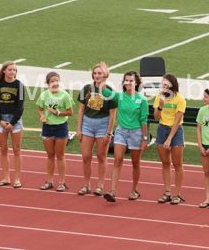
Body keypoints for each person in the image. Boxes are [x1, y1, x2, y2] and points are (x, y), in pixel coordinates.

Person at [99, 62, 149, 202]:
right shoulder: (119, 96)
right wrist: (105, 76)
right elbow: (103, 90)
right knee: (117, 160)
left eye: (131, 81)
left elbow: (144, 120)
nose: (128, 83)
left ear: (136, 83)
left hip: (136, 133)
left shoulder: (142, 99)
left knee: (135, 163)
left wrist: (144, 139)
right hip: (121, 131)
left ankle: (134, 190)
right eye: (126, 80)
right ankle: (113, 191)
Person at [76, 64, 117, 196]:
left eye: (100, 73)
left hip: (103, 124)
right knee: (86, 157)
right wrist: (78, 129)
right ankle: (86, 185)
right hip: (87, 124)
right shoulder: (86, 88)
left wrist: (108, 132)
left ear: (105, 75)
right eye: (95, 73)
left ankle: (100, 186)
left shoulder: (110, 91)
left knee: (101, 156)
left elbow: (112, 115)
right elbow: (81, 110)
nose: (97, 76)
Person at [36, 72, 74, 192]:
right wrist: (42, 116)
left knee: (60, 155)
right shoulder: (44, 95)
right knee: (50, 155)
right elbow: (40, 110)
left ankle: (62, 182)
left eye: (57, 80)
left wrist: (57, 113)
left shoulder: (65, 95)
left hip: (61, 127)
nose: (55, 83)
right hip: (47, 127)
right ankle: (49, 181)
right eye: (52, 81)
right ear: (48, 83)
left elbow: (70, 112)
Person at [154, 74, 186, 205]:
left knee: (177, 164)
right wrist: (160, 106)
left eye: (166, 84)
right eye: (162, 84)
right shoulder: (159, 97)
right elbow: (156, 117)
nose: (163, 86)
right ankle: (167, 192)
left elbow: (177, 121)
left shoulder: (180, 99)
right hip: (162, 129)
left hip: (175, 131)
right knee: (165, 163)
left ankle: (177, 194)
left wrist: (169, 139)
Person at [0, 61, 25, 188]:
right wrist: (0, 120)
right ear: (4, 71)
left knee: (17, 150)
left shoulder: (19, 85)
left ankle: (17, 179)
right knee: (3, 150)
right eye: (10, 69)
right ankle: (6, 178)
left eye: (15, 70)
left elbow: (20, 106)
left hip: (15, 121)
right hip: (1, 120)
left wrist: (12, 122)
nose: (13, 72)